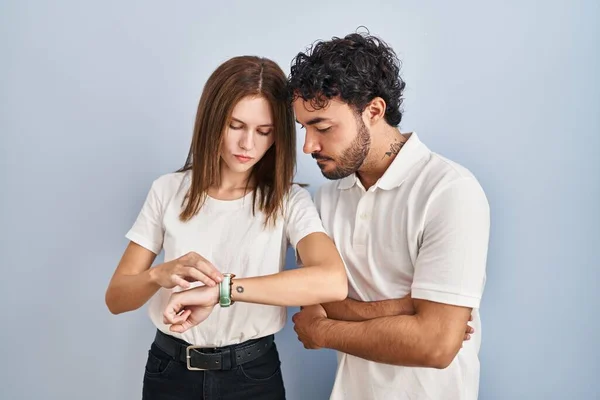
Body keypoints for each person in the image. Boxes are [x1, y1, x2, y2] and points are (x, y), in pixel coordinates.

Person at [105, 55, 349, 400]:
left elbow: (332, 280)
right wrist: (157, 275)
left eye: (264, 132)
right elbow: (116, 298)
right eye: (236, 126)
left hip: (252, 376)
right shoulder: (167, 190)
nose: (248, 144)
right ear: (212, 121)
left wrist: (224, 290)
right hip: (169, 372)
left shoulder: (288, 201)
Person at [289, 31, 490, 400]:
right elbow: (316, 302)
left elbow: (435, 346)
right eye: (304, 127)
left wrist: (323, 330)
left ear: (374, 111)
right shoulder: (326, 198)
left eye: (322, 127)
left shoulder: (449, 191)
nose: (308, 146)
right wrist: (407, 309)